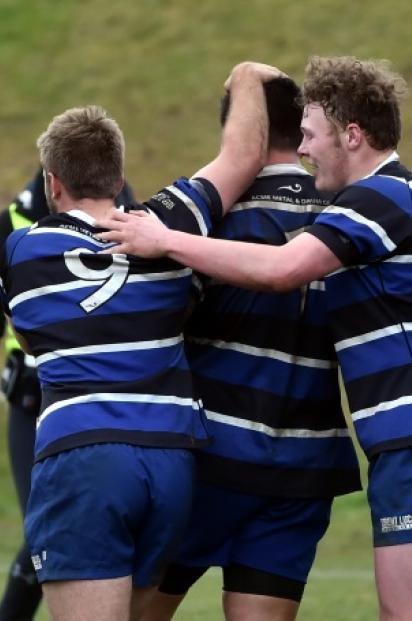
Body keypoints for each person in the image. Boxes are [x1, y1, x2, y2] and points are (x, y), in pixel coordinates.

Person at [99, 55, 412, 621]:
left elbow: (281, 269)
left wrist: (164, 237)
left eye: (312, 135)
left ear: (352, 134)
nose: (303, 148)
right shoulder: (372, 203)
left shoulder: (378, 198)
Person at [0, 62, 280, 621]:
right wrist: (248, 78)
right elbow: (243, 156)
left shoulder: (19, 250)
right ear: (117, 174)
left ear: (53, 183)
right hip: (170, 463)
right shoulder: (170, 226)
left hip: (84, 457)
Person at [141, 76, 362, 621]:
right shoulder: (347, 218)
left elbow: (156, 320)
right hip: (303, 467)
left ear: (241, 131)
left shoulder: (214, 219)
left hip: (208, 459)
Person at [0, 168, 133, 621]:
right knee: (45, 531)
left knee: (69, 531)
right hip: (32, 399)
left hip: (93, 401)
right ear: (53, 184)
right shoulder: (13, 223)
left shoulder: (124, 211)